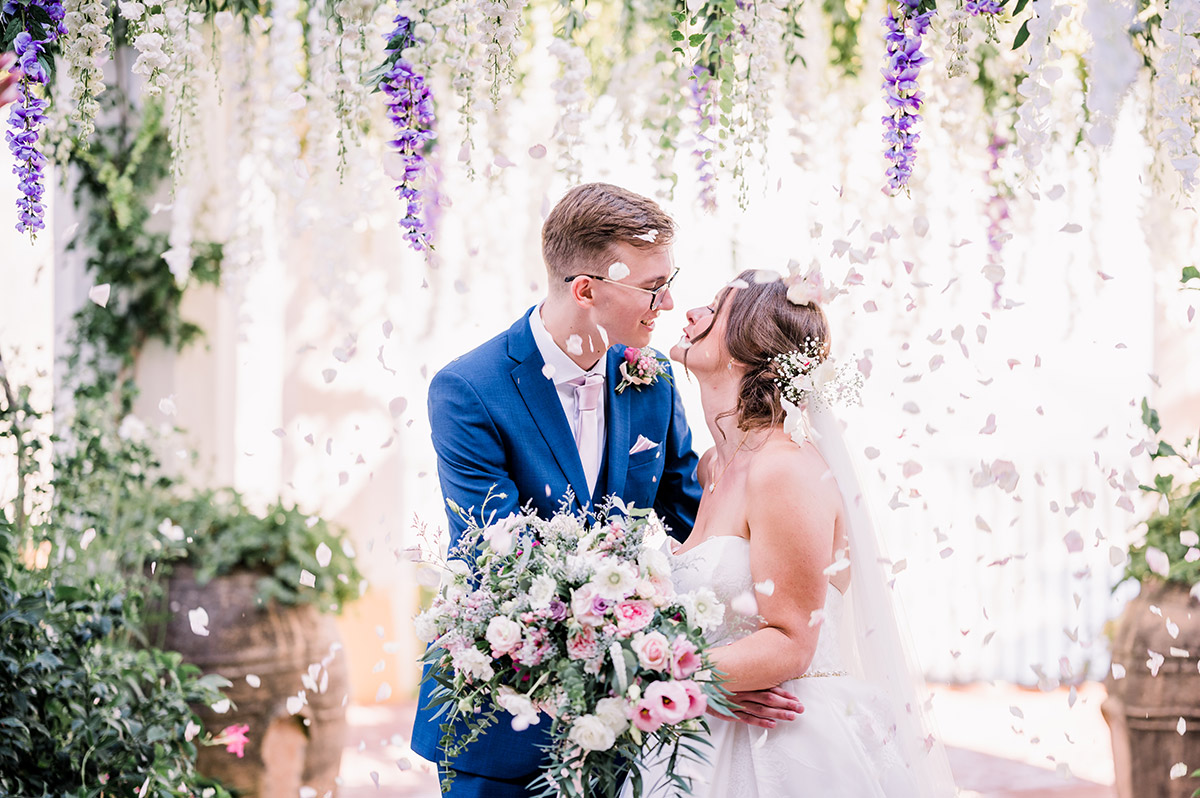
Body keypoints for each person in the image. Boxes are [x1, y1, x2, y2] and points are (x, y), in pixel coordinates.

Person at [410, 185, 804, 797]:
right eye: (652, 286)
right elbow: (503, 565)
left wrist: (718, 666)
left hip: (628, 741)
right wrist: (671, 677)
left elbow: (695, 532)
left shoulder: (654, 382)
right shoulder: (469, 391)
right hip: (503, 716)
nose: (669, 302)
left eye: (668, 280)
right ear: (586, 290)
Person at [623, 269, 958, 797]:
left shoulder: (783, 468)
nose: (690, 314)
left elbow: (790, 642)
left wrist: (651, 677)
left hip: (782, 746)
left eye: (713, 310)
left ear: (748, 348)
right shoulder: (714, 467)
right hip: (703, 731)